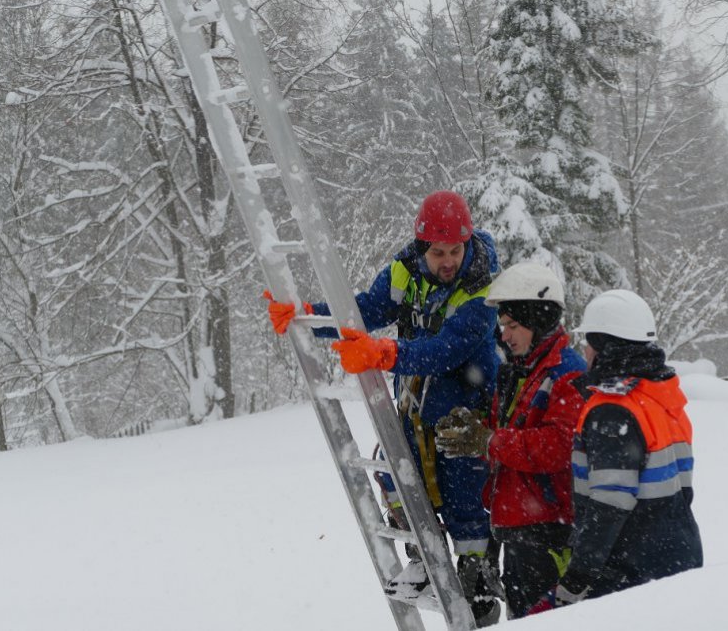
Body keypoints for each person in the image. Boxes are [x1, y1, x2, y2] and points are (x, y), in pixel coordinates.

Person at [264, 190, 502, 625]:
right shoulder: (404, 271)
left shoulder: (482, 286)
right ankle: (422, 558)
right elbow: (365, 311)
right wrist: (306, 315)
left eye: (455, 251)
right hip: (415, 402)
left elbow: (449, 350)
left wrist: (387, 354)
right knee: (399, 477)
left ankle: (477, 581)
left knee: (463, 496)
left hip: (465, 406)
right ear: (421, 246)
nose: (448, 261)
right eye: (438, 252)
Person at [533, 289, 702, 612]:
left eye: (588, 342)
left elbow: (610, 503)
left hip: (631, 572)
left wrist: (578, 577)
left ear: (604, 346)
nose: (584, 351)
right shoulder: (662, 397)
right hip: (677, 557)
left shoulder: (613, 409)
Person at [434, 262, 587, 619]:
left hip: (549, 535)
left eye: (513, 325)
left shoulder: (567, 372)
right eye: (502, 326)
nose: (504, 335)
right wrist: (476, 428)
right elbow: (511, 428)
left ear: (539, 319)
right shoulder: (520, 371)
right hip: (518, 531)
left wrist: (489, 441)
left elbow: (557, 447)